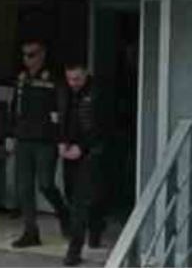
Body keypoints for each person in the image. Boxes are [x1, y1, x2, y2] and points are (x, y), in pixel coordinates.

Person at [6, 39, 68, 248]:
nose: (27, 59)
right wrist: (10, 134)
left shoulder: (53, 78)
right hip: (23, 138)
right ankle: (30, 231)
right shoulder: (21, 78)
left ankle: (64, 214)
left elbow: (62, 108)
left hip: (46, 140)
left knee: (46, 184)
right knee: (23, 187)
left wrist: (62, 138)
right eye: (24, 55)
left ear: (42, 54)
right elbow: (14, 107)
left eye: (31, 55)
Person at [58, 63, 109, 267]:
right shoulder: (66, 92)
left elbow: (103, 126)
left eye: (77, 78)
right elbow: (61, 118)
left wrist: (82, 147)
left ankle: (75, 249)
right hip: (70, 150)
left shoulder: (98, 94)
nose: (73, 83)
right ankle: (96, 226)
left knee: (80, 201)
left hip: (91, 152)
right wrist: (62, 141)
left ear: (86, 74)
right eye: (69, 78)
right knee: (73, 195)